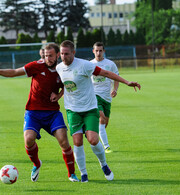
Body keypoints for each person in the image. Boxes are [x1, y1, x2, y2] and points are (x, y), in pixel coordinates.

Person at [0, 43, 79, 182]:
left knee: (64, 140)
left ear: (58, 55)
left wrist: (59, 95)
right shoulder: (36, 65)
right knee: (29, 139)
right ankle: (37, 163)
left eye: (51, 56)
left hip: (52, 113)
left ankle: (71, 174)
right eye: (46, 55)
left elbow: (69, 86)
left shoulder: (63, 70)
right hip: (33, 112)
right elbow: (14, 72)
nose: (48, 58)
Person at [56, 40, 141, 183]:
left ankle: (104, 165)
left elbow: (106, 73)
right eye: (62, 54)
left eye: (67, 53)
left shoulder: (84, 65)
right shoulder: (59, 67)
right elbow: (61, 85)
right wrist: (57, 95)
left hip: (89, 108)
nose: (64, 57)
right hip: (73, 110)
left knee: (93, 140)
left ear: (73, 53)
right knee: (77, 141)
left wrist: (126, 82)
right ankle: (84, 174)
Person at [91, 42, 119, 153]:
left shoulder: (110, 64)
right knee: (101, 118)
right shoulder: (89, 64)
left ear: (104, 51)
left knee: (104, 123)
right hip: (94, 96)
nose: (98, 53)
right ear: (93, 51)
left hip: (107, 97)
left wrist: (115, 89)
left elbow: (116, 78)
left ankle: (92, 133)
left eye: (100, 50)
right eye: (96, 50)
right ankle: (106, 147)